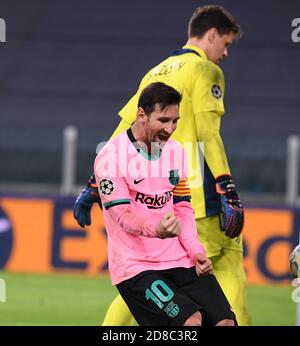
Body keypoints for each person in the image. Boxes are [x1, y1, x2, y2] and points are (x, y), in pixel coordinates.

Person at [74, 5, 250, 325]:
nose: (224, 53)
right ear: (211, 35)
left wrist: (93, 184)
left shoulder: (157, 72)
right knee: (225, 269)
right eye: (225, 43)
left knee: (151, 281)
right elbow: (209, 135)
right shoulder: (206, 71)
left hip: (164, 195)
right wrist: (227, 186)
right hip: (197, 197)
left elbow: (124, 129)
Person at [94, 82, 236, 326]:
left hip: (181, 260)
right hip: (136, 267)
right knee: (191, 322)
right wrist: (156, 228)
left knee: (225, 323)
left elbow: (183, 208)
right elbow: (122, 215)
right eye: (163, 120)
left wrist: (196, 251)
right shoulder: (110, 157)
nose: (170, 129)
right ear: (141, 115)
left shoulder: (178, 153)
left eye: (175, 121)